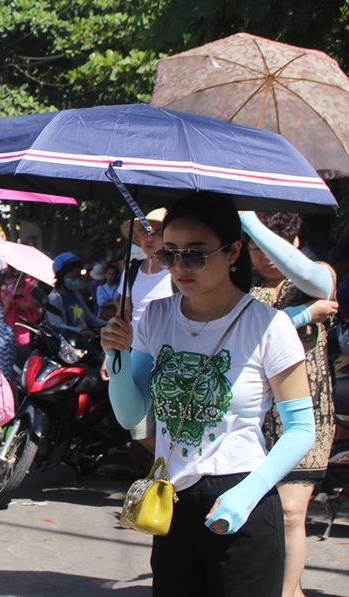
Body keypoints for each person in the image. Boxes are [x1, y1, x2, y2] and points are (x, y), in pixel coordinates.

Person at [101, 193, 315, 596]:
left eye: (195, 255)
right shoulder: (158, 315)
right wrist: (118, 358)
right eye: (170, 254)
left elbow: (302, 429)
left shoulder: (268, 326)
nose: (180, 267)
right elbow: (133, 415)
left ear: (233, 251)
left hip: (242, 500)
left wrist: (248, 494)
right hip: (172, 500)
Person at [243, 210, 338, 597]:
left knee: (289, 513)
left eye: (273, 248)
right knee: (258, 513)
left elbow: (306, 277)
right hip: (253, 412)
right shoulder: (238, 284)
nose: (265, 258)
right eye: (254, 248)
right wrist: (303, 316)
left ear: (294, 243)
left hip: (306, 413)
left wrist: (253, 223)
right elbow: (246, 331)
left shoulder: (317, 276)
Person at [113, 208, 173, 466]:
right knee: (138, 428)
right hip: (138, 355)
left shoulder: (177, 272)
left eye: (156, 232)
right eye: (144, 232)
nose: (149, 238)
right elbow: (123, 313)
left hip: (170, 359)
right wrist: (114, 354)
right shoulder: (133, 270)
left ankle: (174, 466)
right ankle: (171, 462)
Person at [46, 252, 105, 337]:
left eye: (79, 277)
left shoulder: (76, 295)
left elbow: (91, 319)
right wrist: (81, 331)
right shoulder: (53, 299)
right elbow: (57, 325)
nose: (77, 281)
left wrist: (109, 325)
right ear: (61, 277)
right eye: (73, 278)